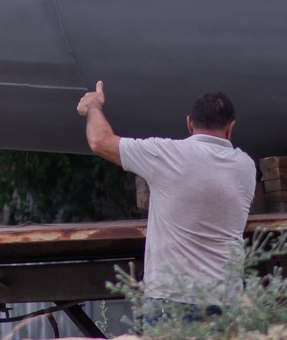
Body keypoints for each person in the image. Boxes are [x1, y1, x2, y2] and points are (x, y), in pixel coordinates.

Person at [78, 83, 257, 322]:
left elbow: (99, 141)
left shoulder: (165, 154)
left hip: (171, 297)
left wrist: (93, 106)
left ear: (189, 123)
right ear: (230, 127)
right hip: (225, 299)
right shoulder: (246, 166)